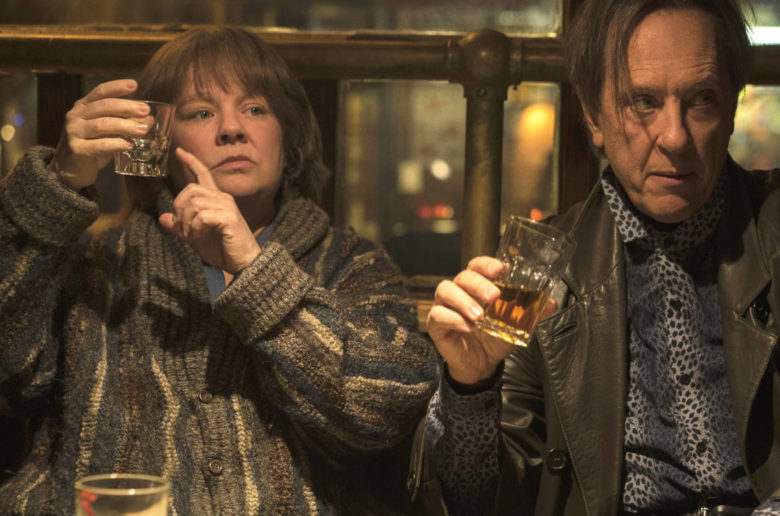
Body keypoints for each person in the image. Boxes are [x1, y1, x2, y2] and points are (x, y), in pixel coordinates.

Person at [0, 26, 438, 515]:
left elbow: (384, 413)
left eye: (255, 109)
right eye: (201, 113)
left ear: (288, 139)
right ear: (158, 141)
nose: (231, 129)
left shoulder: (350, 265)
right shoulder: (102, 265)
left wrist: (255, 271)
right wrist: (55, 189)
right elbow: (12, 380)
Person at [410, 0, 780, 514]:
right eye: (644, 102)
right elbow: (480, 500)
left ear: (733, 107)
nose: (675, 136)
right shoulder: (544, 270)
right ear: (592, 115)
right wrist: (470, 386)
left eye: (702, 99)